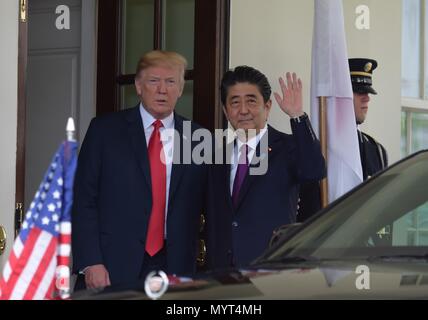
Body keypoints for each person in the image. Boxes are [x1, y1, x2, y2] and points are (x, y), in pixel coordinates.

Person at [72, 50, 208, 290]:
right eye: (154, 81)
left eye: (170, 82)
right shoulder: (105, 131)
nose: (162, 90)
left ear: (180, 88)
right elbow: (83, 200)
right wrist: (90, 261)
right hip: (111, 266)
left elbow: (211, 204)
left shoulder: (197, 137)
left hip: (174, 267)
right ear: (138, 85)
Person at [206, 66, 325, 269]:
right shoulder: (216, 156)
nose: (243, 110)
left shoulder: (288, 147)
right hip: (223, 272)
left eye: (251, 101)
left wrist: (298, 116)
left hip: (271, 270)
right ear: (226, 111)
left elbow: (314, 170)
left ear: (267, 107)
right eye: (235, 102)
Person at [349, 58, 388, 179]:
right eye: (359, 91)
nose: (367, 98)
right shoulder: (323, 145)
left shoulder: (377, 151)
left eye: (367, 92)